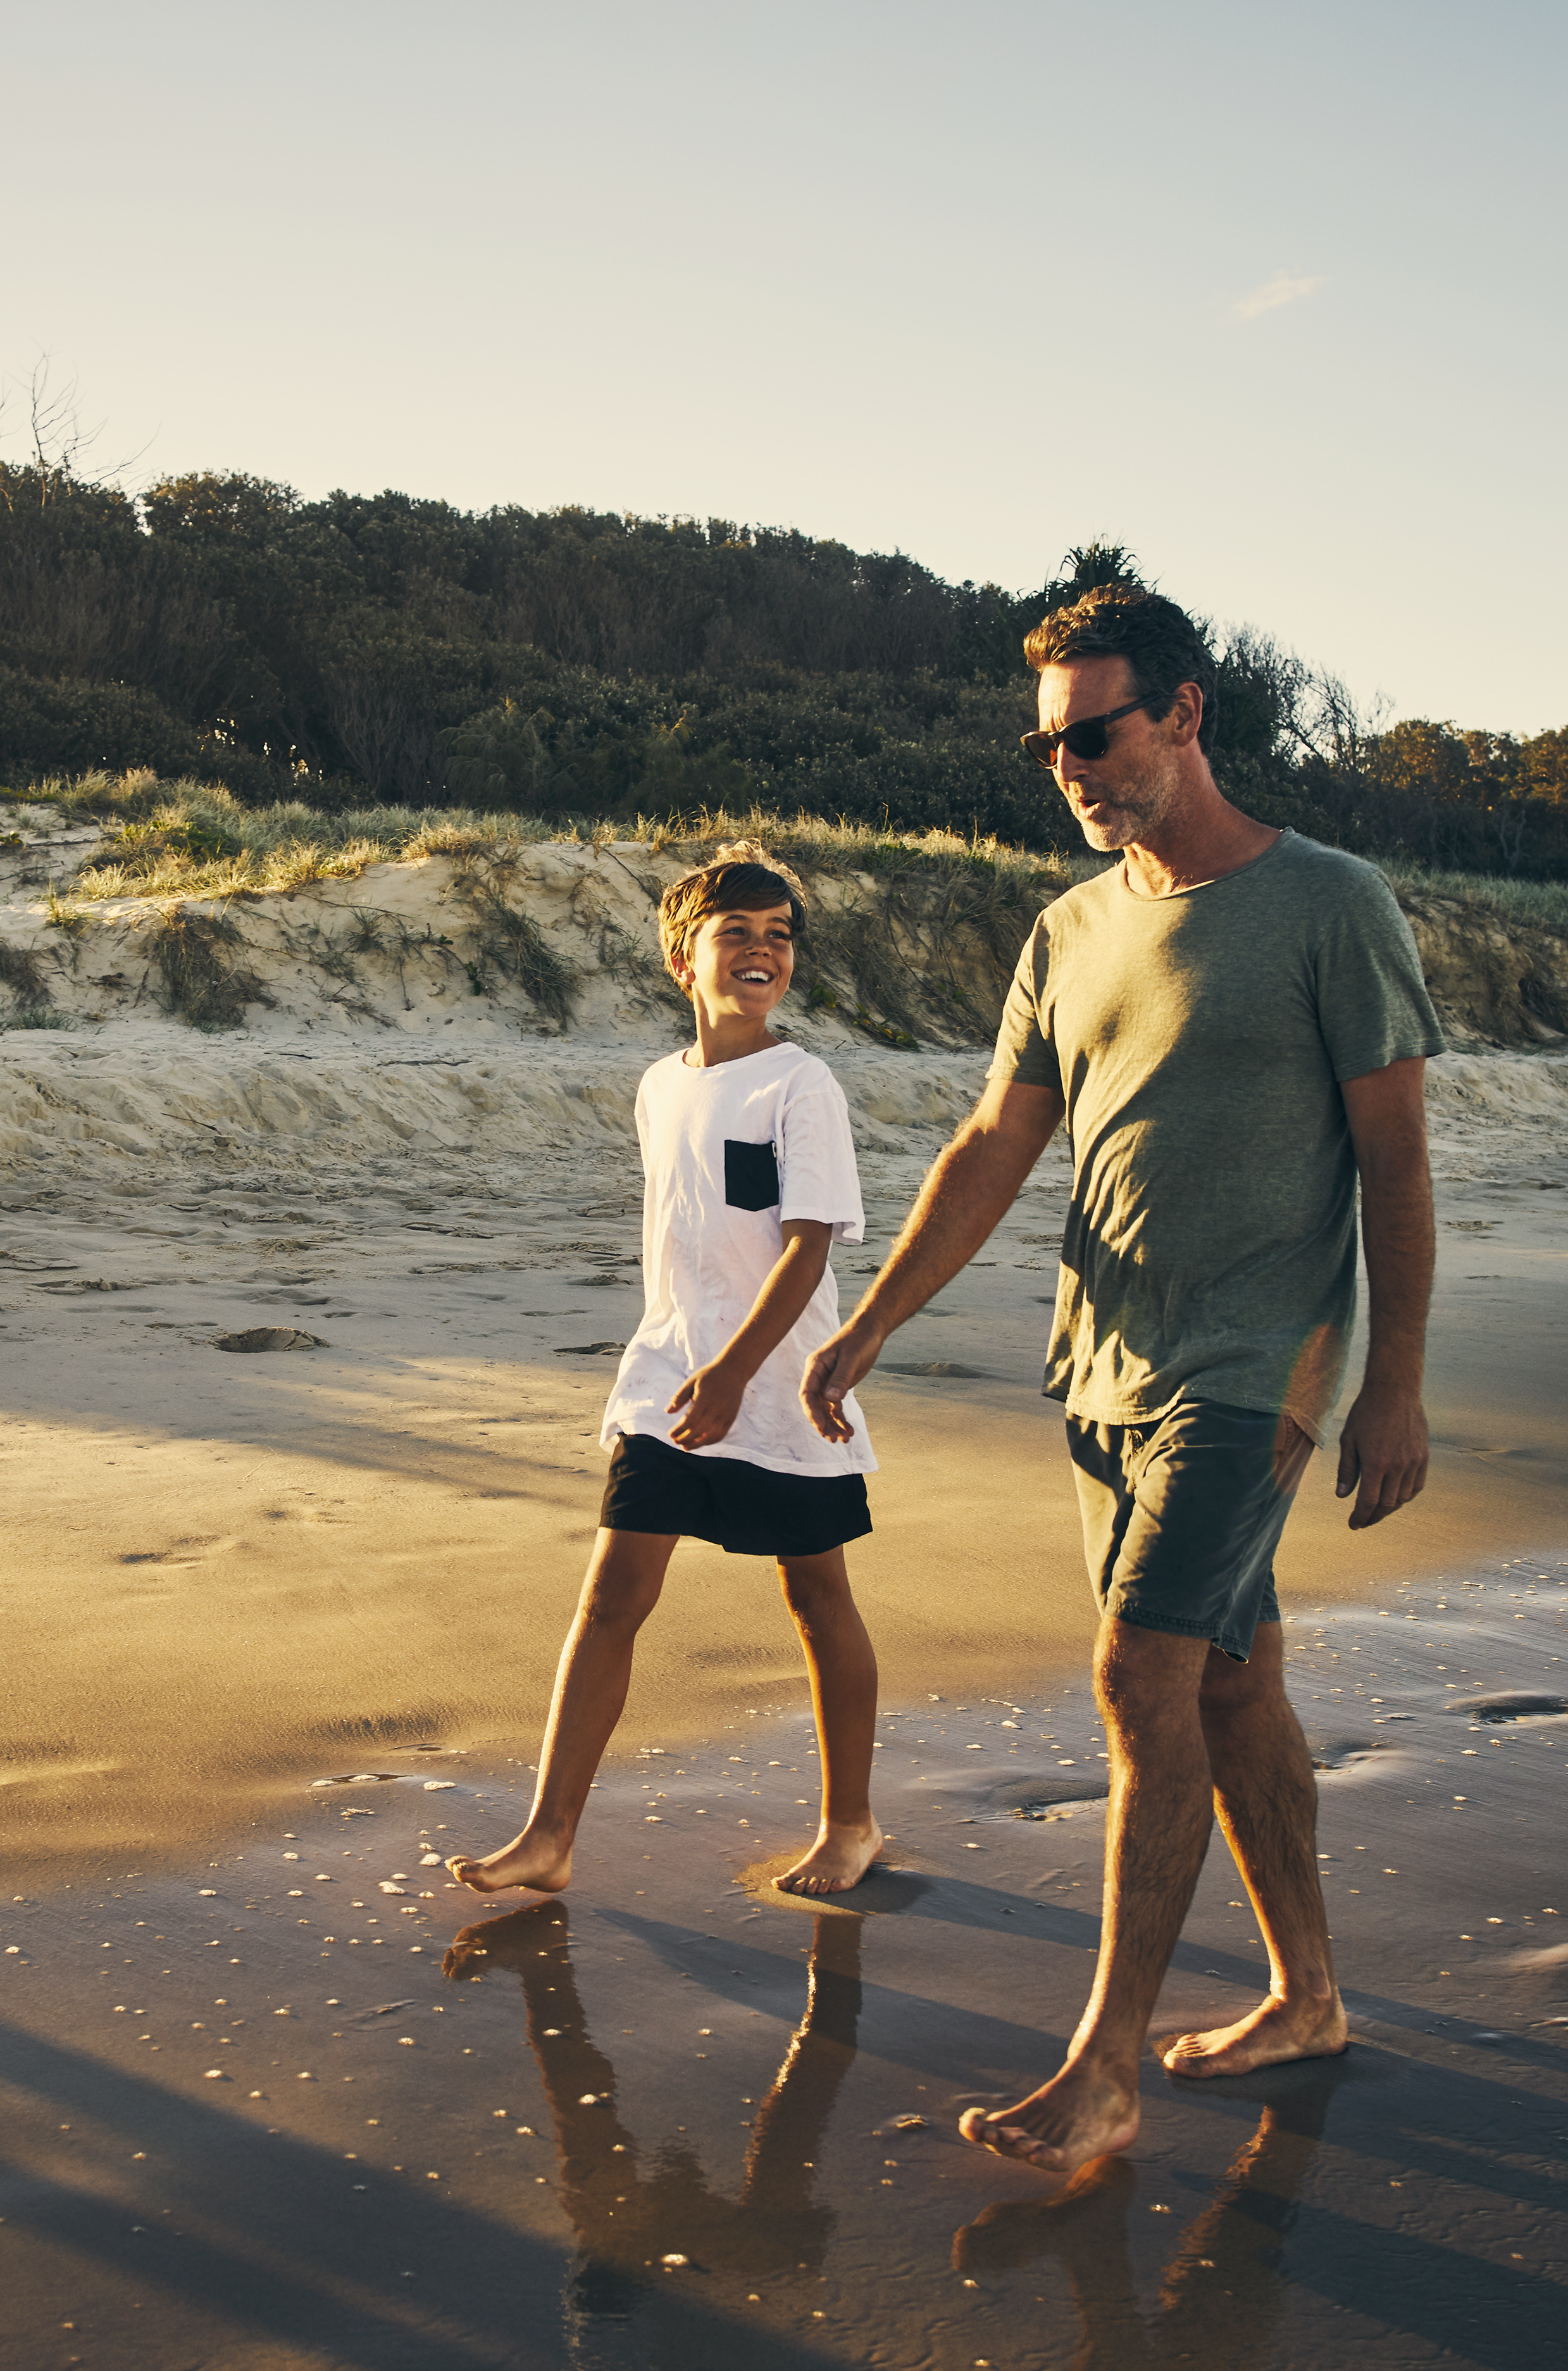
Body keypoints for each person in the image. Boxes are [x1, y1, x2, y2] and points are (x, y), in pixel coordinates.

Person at [800, 582, 1445, 2173]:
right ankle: (1307, 1995)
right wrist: (870, 1321)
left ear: (1185, 713)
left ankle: (1102, 2068)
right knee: (1234, 1682)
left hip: (1258, 1365)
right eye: (1051, 749)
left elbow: (1397, 1165)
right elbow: (993, 1147)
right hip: (1105, 1365)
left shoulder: (1329, 902)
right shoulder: (1067, 929)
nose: (1073, 767)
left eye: (1097, 732)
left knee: (1137, 1675)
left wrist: (1396, 1382)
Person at [451, 842, 886, 1901]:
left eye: (780, 936)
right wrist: (694, 1369)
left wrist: (740, 1372)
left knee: (817, 1597)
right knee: (611, 1596)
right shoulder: (659, 1087)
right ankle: (549, 1835)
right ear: (682, 961)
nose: (762, 951)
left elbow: (809, 1245)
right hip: (666, 1384)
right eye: (736, 933)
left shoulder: (802, 1084)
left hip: (777, 1395)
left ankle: (851, 1823)